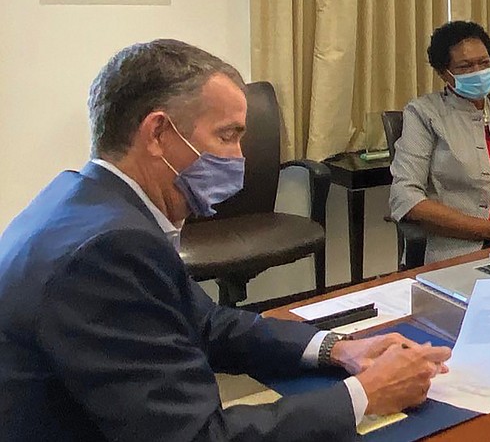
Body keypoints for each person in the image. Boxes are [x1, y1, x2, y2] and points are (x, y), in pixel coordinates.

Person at [0, 39, 451, 442]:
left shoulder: (83, 196)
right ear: (157, 133)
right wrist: (365, 396)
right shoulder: (110, 249)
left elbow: (203, 322)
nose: (239, 157)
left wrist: (337, 348)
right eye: (227, 135)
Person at [390, 21, 490, 264]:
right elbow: (405, 197)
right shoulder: (425, 114)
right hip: (466, 248)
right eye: (465, 66)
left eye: (484, 62)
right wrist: (489, 229)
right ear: (444, 73)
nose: (478, 71)